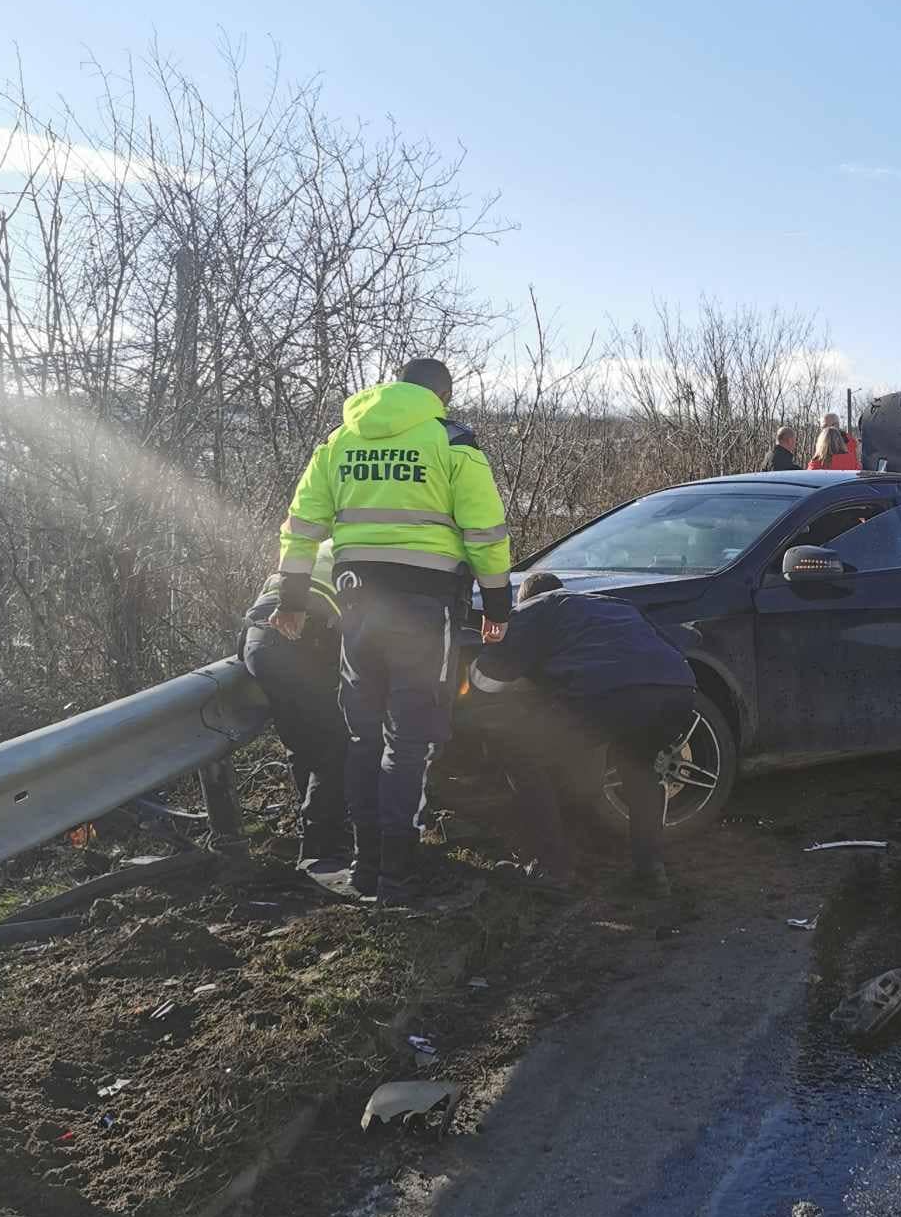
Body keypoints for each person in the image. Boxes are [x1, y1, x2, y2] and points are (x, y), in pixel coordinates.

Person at [273, 356, 512, 906]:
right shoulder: (452, 443)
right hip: (425, 612)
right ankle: (399, 876)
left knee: (363, 739)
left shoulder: (340, 441)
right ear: (441, 396)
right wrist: (498, 603)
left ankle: (366, 869)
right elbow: (485, 532)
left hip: (357, 607)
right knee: (409, 744)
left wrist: (292, 600)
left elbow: (301, 526)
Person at [474, 571, 698, 896]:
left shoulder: (533, 609)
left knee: (520, 753)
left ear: (524, 597)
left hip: (609, 692)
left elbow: (491, 675)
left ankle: (549, 869)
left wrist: (467, 693)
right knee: (639, 768)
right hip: (677, 689)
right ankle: (649, 870)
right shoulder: (615, 605)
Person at [241, 541, 350, 878]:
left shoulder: (312, 548)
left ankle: (318, 832)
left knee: (300, 741)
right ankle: (322, 848)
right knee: (334, 741)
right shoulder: (357, 547)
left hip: (257, 642)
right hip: (306, 635)